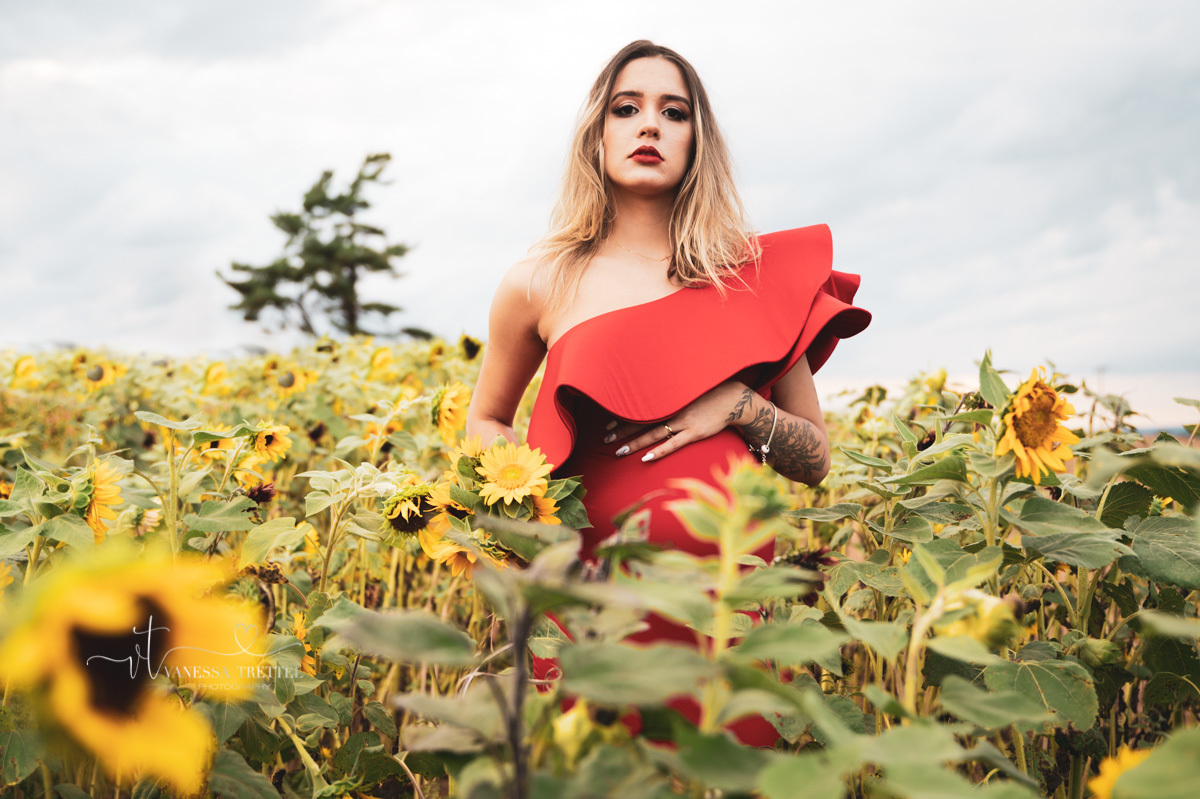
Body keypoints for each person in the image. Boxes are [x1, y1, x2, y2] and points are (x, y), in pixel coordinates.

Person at [465, 40, 870, 747]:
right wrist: (518, 499)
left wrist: (739, 406)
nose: (648, 125)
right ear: (599, 133)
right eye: (627, 108)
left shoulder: (751, 277)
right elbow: (487, 417)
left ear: (697, 140)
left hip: (726, 614)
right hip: (589, 605)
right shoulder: (540, 280)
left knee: (725, 766)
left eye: (672, 111)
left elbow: (814, 458)